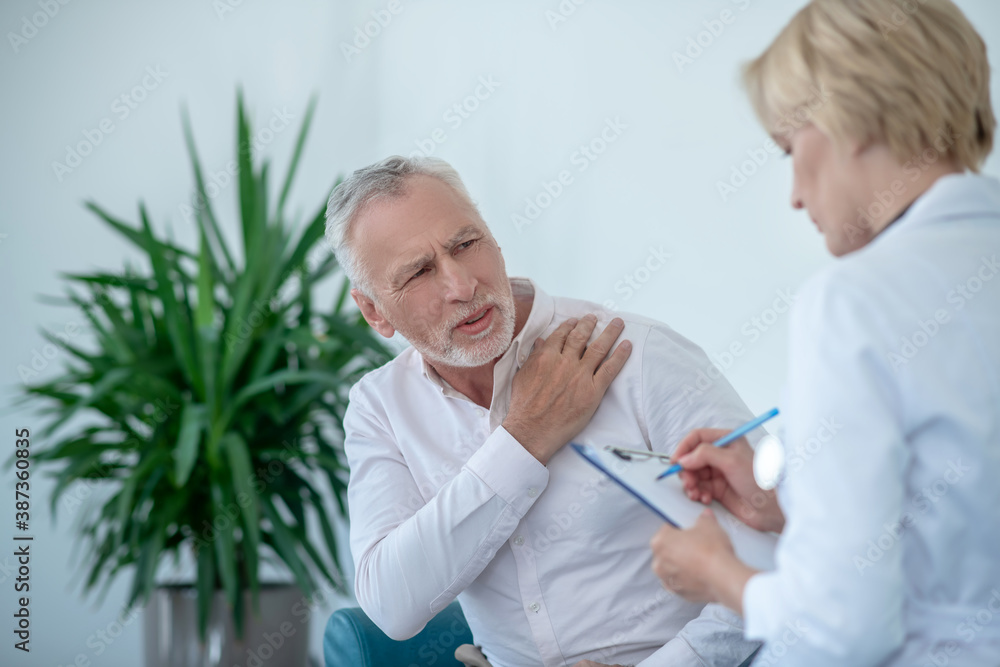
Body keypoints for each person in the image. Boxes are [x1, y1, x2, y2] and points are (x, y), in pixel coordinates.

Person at [648, 0, 1000, 665]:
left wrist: (719, 575)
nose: (794, 196)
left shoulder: (854, 302)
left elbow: (845, 628)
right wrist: (793, 504)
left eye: (789, 148)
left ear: (854, 114)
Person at [325, 155, 765, 666]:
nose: (462, 285)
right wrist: (525, 437)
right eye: (420, 272)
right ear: (375, 311)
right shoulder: (379, 407)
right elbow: (391, 606)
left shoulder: (637, 355)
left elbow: (770, 555)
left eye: (466, 244)